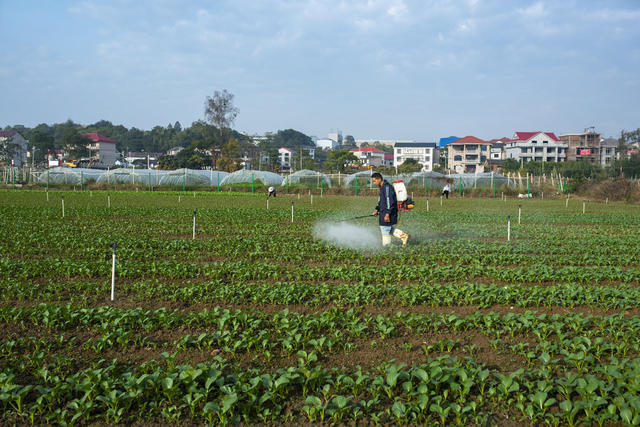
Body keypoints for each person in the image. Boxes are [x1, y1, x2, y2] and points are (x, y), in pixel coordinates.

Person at [371, 172, 410, 246]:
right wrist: (377, 209)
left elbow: (389, 201)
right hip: (384, 211)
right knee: (389, 228)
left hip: (388, 212)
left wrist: (387, 214)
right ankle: (404, 236)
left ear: (379, 179)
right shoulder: (382, 188)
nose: (374, 183)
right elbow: (381, 200)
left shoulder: (387, 188)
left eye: (374, 181)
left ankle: (386, 247)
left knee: (385, 228)